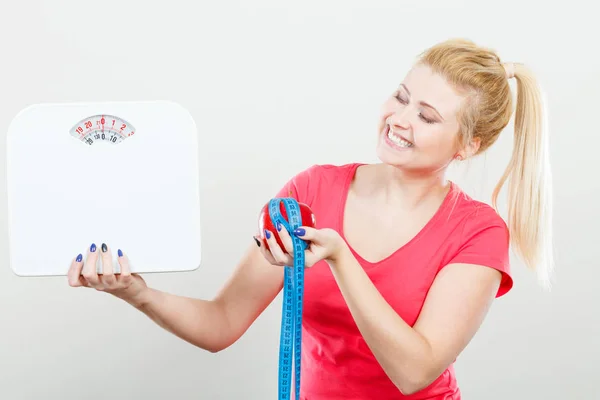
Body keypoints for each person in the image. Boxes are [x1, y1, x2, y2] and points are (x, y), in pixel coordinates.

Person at [67, 38, 553, 399]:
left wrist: (342, 259)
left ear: (469, 145)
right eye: (401, 97)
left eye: (427, 116)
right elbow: (221, 324)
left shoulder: (478, 233)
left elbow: (414, 371)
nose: (400, 118)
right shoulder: (312, 191)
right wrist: (137, 292)